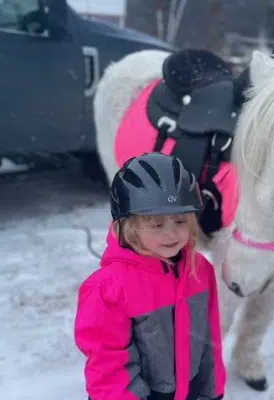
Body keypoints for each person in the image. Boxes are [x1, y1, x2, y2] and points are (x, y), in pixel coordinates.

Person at [74, 152, 226, 400]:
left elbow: (210, 340)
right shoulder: (107, 288)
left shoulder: (200, 271)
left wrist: (213, 392)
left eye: (180, 221)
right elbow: (108, 365)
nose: (171, 234)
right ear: (126, 226)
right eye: (156, 224)